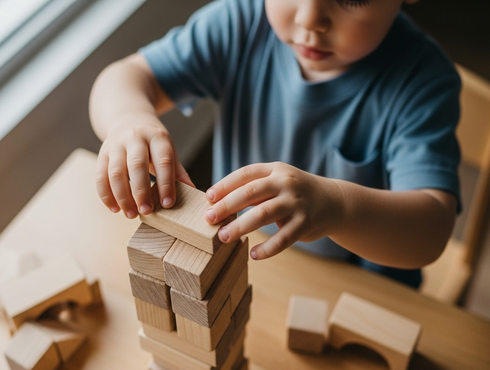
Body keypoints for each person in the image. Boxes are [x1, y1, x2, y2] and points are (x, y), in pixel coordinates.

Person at [89, 0, 461, 288]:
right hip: (247, 256)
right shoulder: (241, 22)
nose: (310, 18)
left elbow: (430, 232)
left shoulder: (423, 83)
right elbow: (126, 76)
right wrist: (127, 121)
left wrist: (339, 207)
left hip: (364, 291)